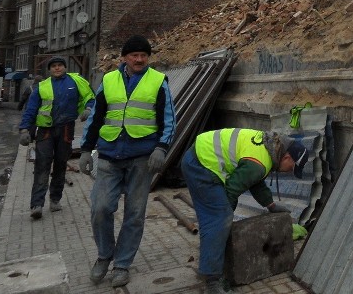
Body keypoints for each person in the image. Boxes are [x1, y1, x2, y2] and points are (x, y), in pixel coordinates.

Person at [79, 35, 176, 288]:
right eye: (134, 55)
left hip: (141, 158)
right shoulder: (109, 80)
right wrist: (85, 150)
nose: (140, 59)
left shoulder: (158, 81)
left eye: (144, 55)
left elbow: (169, 119)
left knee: (134, 214)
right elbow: (96, 117)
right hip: (109, 156)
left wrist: (161, 148)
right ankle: (104, 255)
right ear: (124, 58)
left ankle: (122, 264)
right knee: (100, 208)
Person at [180, 127, 309, 294]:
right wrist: (225, 221)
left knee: (217, 219)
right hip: (200, 164)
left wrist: (270, 205)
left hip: (198, 156)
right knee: (219, 218)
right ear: (286, 156)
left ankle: (213, 259)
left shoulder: (268, 149)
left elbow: (254, 181)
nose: (290, 171)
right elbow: (232, 190)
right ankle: (212, 282)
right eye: (292, 167)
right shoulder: (260, 163)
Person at [18, 58, 94, 219]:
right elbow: (31, 109)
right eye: (53, 66)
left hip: (66, 129)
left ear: (65, 68)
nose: (57, 68)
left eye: (60, 65)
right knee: (42, 165)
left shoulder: (76, 81)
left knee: (60, 165)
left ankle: (55, 200)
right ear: (49, 70)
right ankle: (37, 204)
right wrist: (24, 129)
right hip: (45, 131)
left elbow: (90, 96)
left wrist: (89, 108)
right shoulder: (42, 87)